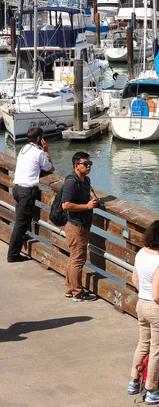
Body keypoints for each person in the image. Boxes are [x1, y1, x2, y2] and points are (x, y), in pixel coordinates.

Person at [129, 220, 159, 405]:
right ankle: (151, 390)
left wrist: (144, 292)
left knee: (143, 344)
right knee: (156, 350)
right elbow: (158, 296)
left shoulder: (141, 253)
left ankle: (133, 381)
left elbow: (135, 277)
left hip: (141, 304)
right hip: (157, 309)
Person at [7, 127, 54, 263]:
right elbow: (50, 168)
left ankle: (16, 249)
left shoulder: (23, 149)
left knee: (22, 222)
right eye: (43, 138)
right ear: (39, 139)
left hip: (17, 189)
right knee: (21, 224)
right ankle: (12, 255)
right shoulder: (38, 153)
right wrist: (46, 150)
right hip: (27, 191)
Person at [62, 151, 98, 302]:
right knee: (78, 259)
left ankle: (70, 289)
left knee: (74, 258)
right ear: (77, 166)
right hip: (76, 225)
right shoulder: (71, 182)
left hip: (81, 224)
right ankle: (78, 293)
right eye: (86, 164)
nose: (89, 166)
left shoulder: (85, 180)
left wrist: (93, 200)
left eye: (90, 164)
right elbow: (66, 205)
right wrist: (87, 206)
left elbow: (89, 195)